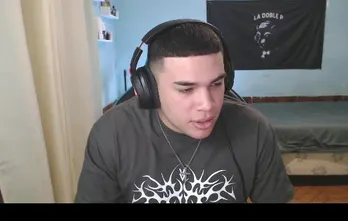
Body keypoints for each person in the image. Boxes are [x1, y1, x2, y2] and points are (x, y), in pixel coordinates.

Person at [75, 22, 293, 203]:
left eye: (216, 84)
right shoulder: (111, 133)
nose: (207, 105)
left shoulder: (253, 128)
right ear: (149, 88)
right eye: (186, 89)